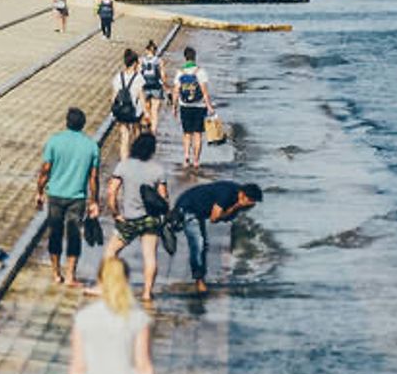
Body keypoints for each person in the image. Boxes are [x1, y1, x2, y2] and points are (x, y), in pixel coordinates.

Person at [35, 107, 101, 287]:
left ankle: (56, 273)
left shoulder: (55, 141)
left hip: (55, 194)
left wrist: (39, 191)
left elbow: (45, 169)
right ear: (83, 124)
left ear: (67, 122)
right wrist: (94, 201)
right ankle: (70, 275)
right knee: (74, 235)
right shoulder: (91, 146)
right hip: (77, 197)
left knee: (55, 233)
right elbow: (93, 177)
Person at [104, 133, 166, 302]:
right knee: (150, 256)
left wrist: (115, 213)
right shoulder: (157, 170)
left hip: (129, 218)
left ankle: (108, 286)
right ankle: (147, 293)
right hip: (150, 219)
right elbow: (164, 198)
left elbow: (111, 192)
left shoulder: (124, 166)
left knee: (111, 252)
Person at [171, 181, 262, 293]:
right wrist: (235, 207)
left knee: (201, 243)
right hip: (188, 206)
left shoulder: (240, 200)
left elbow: (224, 218)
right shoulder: (227, 194)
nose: (251, 205)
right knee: (199, 243)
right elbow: (214, 219)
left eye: (254, 203)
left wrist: (232, 210)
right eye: (251, 201)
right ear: (243, 195)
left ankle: (172, 224)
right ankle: (199, 281)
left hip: (200, 211)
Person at [174, 46, 215, 169]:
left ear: (185, 57)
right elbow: (204, 91)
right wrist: (210, 106)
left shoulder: (180, 72)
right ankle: (196, 160)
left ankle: (186, 157)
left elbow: (176, 90)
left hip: (185, 106)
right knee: (198, 134)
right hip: (199, 106)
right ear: (195, 57)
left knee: (187, 133)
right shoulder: (200, 72)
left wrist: (174, 107)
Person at [112, 49, 144, 161]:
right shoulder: (139, 78)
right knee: (137, 134)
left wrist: (113, 110)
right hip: (135, 111)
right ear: (135, 63)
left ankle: (124, 161)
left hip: (121, 111)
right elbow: (141, 96)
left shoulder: (118, 77)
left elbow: (114, 96)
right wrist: (146, 112)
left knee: (124, 137)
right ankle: (137, 157)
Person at [139, 40, 168, 132]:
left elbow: (139, 74)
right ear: (155, 51)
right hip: (156, 88)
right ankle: (153, 132)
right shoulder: (159, 61)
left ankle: (145, 125)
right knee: (154, 111)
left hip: (145, 87)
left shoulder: (141, 60)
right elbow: (163, 76)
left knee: (145, 109)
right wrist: (166, 86)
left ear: (146, 50)